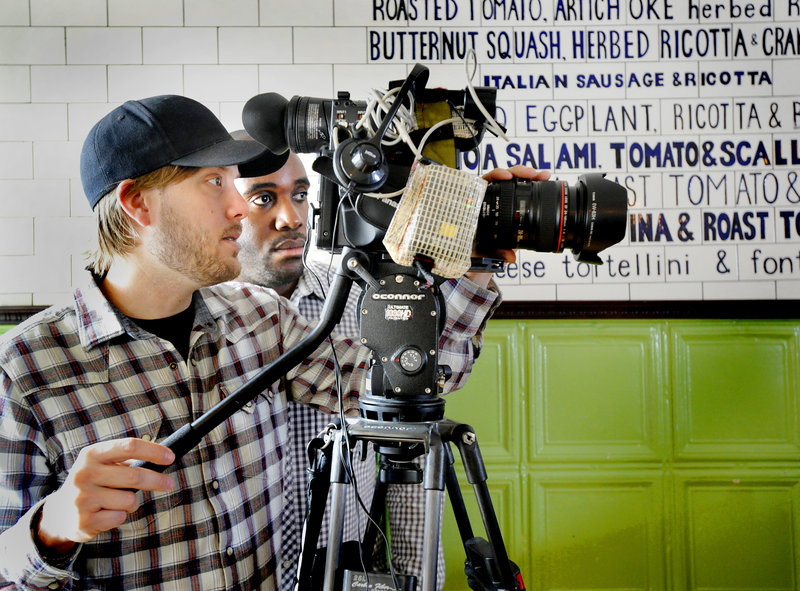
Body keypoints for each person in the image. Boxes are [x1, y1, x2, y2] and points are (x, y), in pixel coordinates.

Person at [0, 95, 511, 590]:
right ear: (137, 204)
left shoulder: (261, 317)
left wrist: (476, 258)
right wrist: (51, 530)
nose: (238, 208)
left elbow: (408, 379)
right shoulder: (25, 367)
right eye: (214, 183)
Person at [232, 137, 550, 590]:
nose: (292, 218)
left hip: (344, 554)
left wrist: (476, 254)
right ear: (224, 204)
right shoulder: (208, 317)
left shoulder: (355, 294)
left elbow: (434, 372)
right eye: (264, 198)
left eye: (300, 195)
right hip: (239, 567)